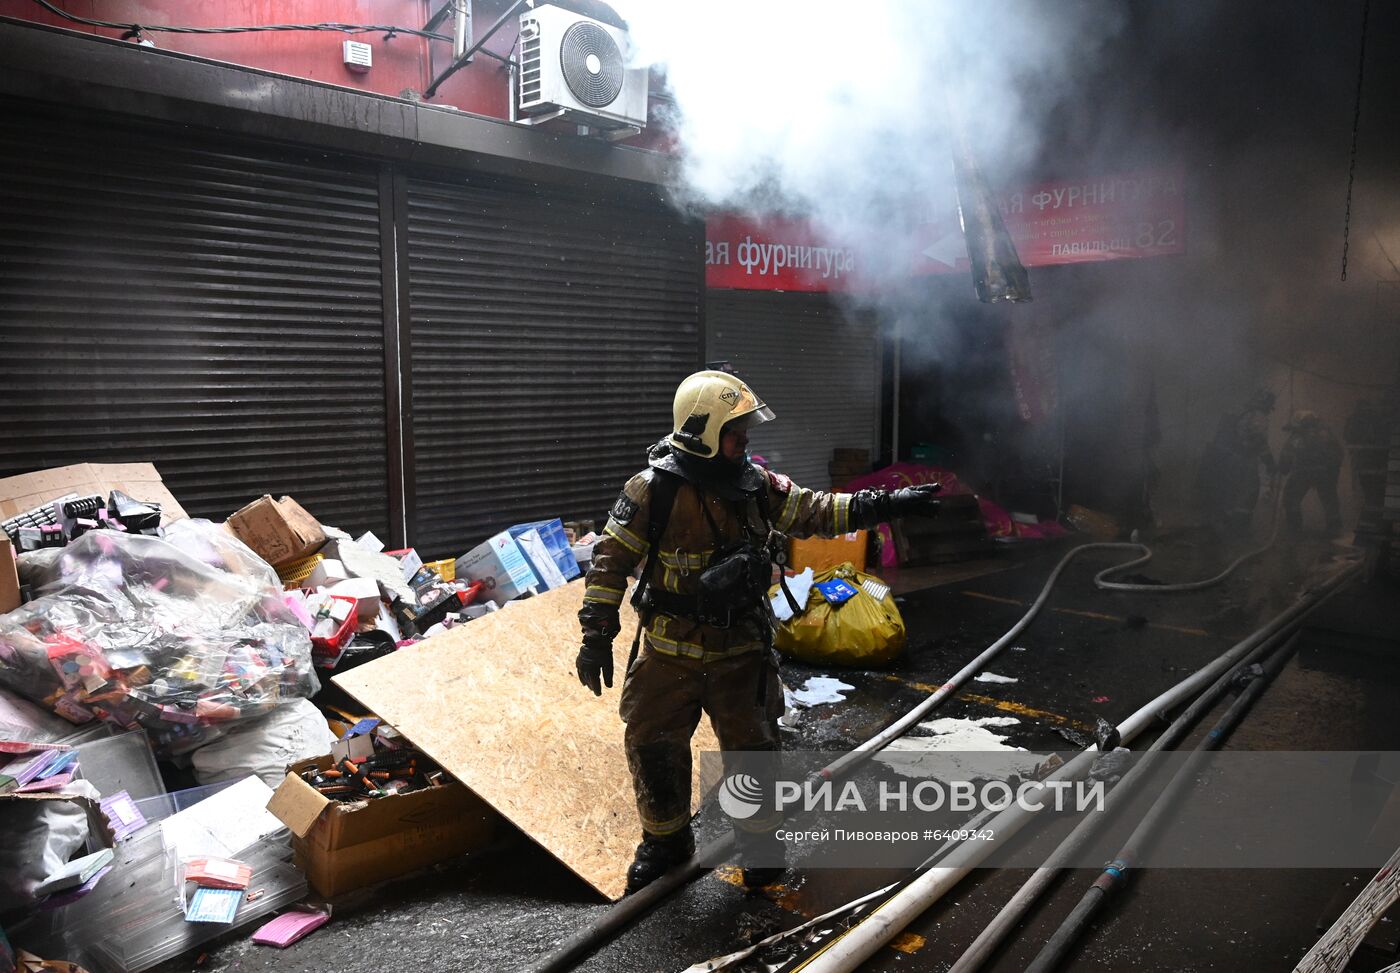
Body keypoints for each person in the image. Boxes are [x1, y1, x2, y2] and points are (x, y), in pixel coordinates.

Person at [576, 369, 942, 894]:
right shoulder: (652, 490)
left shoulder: (757, 487)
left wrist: (888, 503)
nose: (746, 440)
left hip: (741, 653)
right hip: (667, 654)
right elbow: (609, 563)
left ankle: (761, 846)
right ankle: (666, 843)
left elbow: (817, 510)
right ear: (701, 429)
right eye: (735, 430)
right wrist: (595, 635)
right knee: (654, 746)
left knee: (754, 755)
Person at [1198, 389, 1276, 536]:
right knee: (1248, 494)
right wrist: (1268, 460)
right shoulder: (1259, 416)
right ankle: (1239, 531)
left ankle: (1223, 527)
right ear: (1265, 404)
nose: (1269, 411)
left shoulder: (1245, 413)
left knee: (1231, 492)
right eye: (1269, 407)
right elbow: (1259, 438)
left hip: (1232, 459)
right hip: (1245, 460)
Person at [1278, 411, 1344, 536]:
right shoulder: (1326, 434)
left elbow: (1287, 455)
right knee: (1330, 500)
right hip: (1324, 472)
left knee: (1291, 498)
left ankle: (1294, 528)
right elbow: (1338, 454)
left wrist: (1283, 468)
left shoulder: (1297, 437)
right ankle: (1334, 528)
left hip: (1303, 472)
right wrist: (1333, 472)